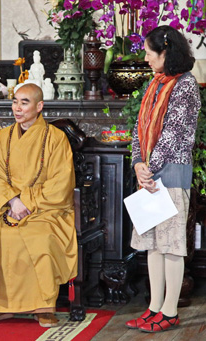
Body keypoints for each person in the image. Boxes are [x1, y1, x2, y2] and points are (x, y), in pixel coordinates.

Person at [0, 83, 78, 328]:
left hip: (45, 208)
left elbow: (61, 183)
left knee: (38, 236)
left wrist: (27, 202)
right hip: (3, 205)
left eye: (25, 102)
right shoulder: (3, 137)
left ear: (39, 106)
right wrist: (12, 200)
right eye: (15, 101)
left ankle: (43, 306)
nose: (17, 108)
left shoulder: (55, 138)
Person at [126, 26, 201, 333]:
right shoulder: (156, 83)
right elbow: (138, 129)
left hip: (170, 175)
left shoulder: (185, 85)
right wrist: (137, 164)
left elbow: (172, 135)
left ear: (166, 53)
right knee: (153, 246)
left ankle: (170, 312)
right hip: (149, 175)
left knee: (171, 246)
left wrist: (148, 167)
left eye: (148, 52)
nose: (145, 58)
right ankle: (154, 307)